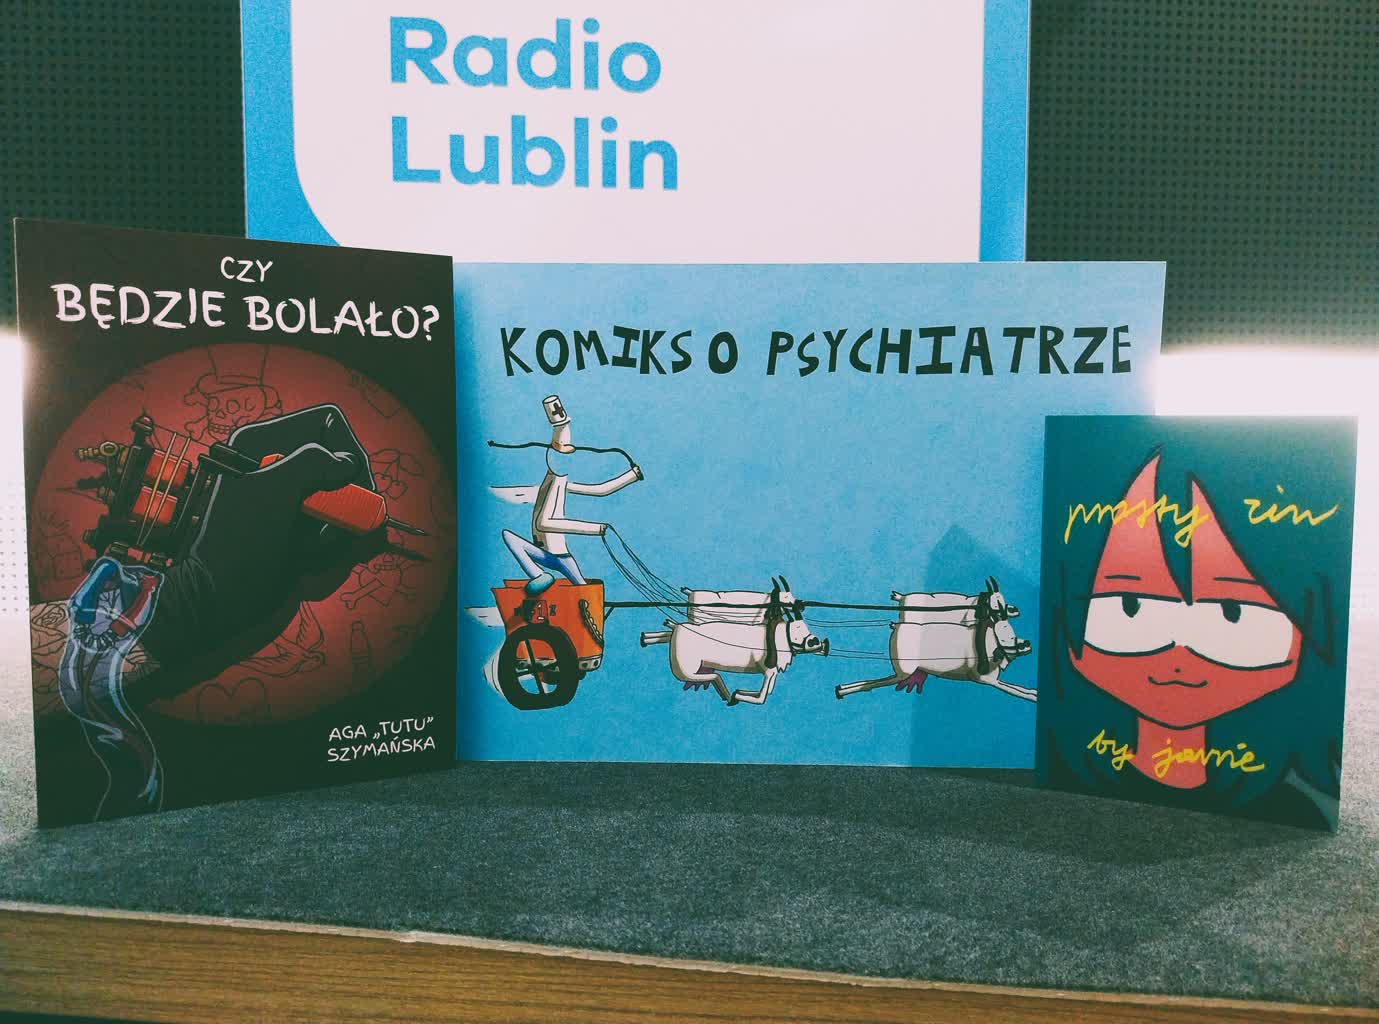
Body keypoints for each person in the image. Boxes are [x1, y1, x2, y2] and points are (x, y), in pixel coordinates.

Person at [1040, 421, 1354, 829]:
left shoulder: (1296, 809)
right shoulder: (1069, 769)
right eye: (1131, 607)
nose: (1178, 656)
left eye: (1232, 614)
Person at [501, 395, 642, 595]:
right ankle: (538, 575)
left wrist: (631, 476)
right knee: (508, 535)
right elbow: (544, 523)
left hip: (560, 556)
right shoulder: (551, 483)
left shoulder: (561, 483)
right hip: (545, 554)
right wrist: (595, 529)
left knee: (585, 592)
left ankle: (540, 576)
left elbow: (599, 490)